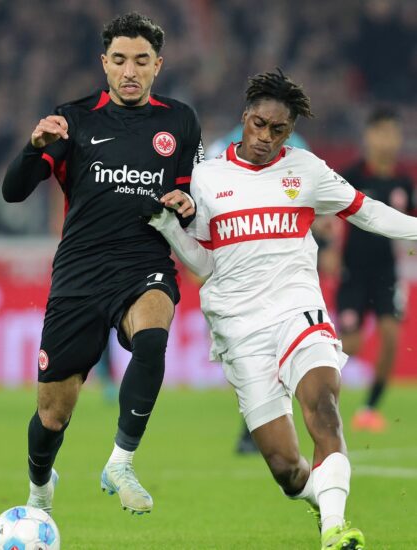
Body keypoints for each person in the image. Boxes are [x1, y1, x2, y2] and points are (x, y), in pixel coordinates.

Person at [146, 68, 417, 549]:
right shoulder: (207, 178)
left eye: (279, 130)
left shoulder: (306, 170)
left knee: (324, 407)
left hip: (298, 310)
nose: (266, 138)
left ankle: (335, 529)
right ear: (244, 117)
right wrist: (170, 229)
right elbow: (204, 263)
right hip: (239, 327)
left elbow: (367, 211)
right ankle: (321, 502)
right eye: (259, 125)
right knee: (287, 469)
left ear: (290, 132)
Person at [2, 12, 202, 516]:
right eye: (119, 60)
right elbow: (13, 192)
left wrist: (187, 205)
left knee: (152, 338)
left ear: (158, 65)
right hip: (80, 273)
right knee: (53, 415)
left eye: (141, 60)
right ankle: (40, 487)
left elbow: (189, 199)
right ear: (104, 64)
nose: (130, 71)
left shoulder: (180, 121)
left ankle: (121, 461)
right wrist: (32, 148)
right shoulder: (73, 119)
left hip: (143, 262)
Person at [207, 124, 310, 454]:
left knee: (279, 353)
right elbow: (206, 199)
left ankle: (257, 428)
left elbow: (309, 197)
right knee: (250, 356)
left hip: (282, 267)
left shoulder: (298, 147)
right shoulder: (224, 146)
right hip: (240, 269)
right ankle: (256, 425)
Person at [336, 107, 414, 432]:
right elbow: (329, 218)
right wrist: (329, 252)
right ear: (368, 136)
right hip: (353, 274)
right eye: (381, 132)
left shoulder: (403, 182)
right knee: (350, 345)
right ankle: (316, 395)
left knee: (392, 336)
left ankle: (369, 408)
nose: (387, 140)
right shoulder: (352, 176)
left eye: (393, 133)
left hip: (387, 274)